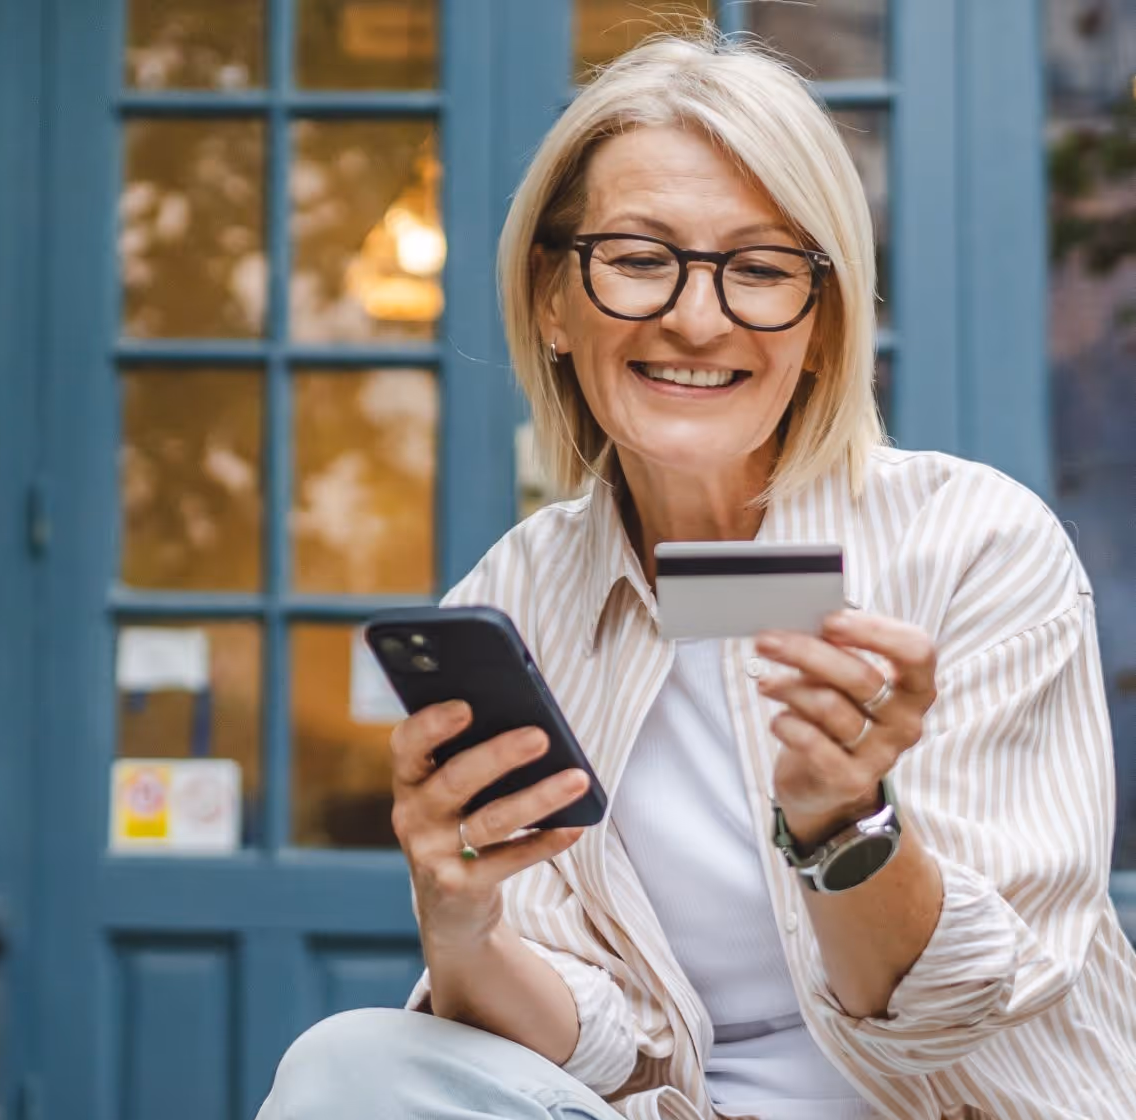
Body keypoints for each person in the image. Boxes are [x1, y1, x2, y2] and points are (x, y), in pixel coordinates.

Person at [258, 32, 1136, 1120]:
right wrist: (460, 921)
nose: (694, 316)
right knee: (350, 1062)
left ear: (819, 325)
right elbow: (599, 1046)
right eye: (636, 257)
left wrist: (840, 824)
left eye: (760, 269)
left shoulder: (973, 547)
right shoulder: (515, 598)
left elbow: (947, 1018)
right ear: (551, 299)